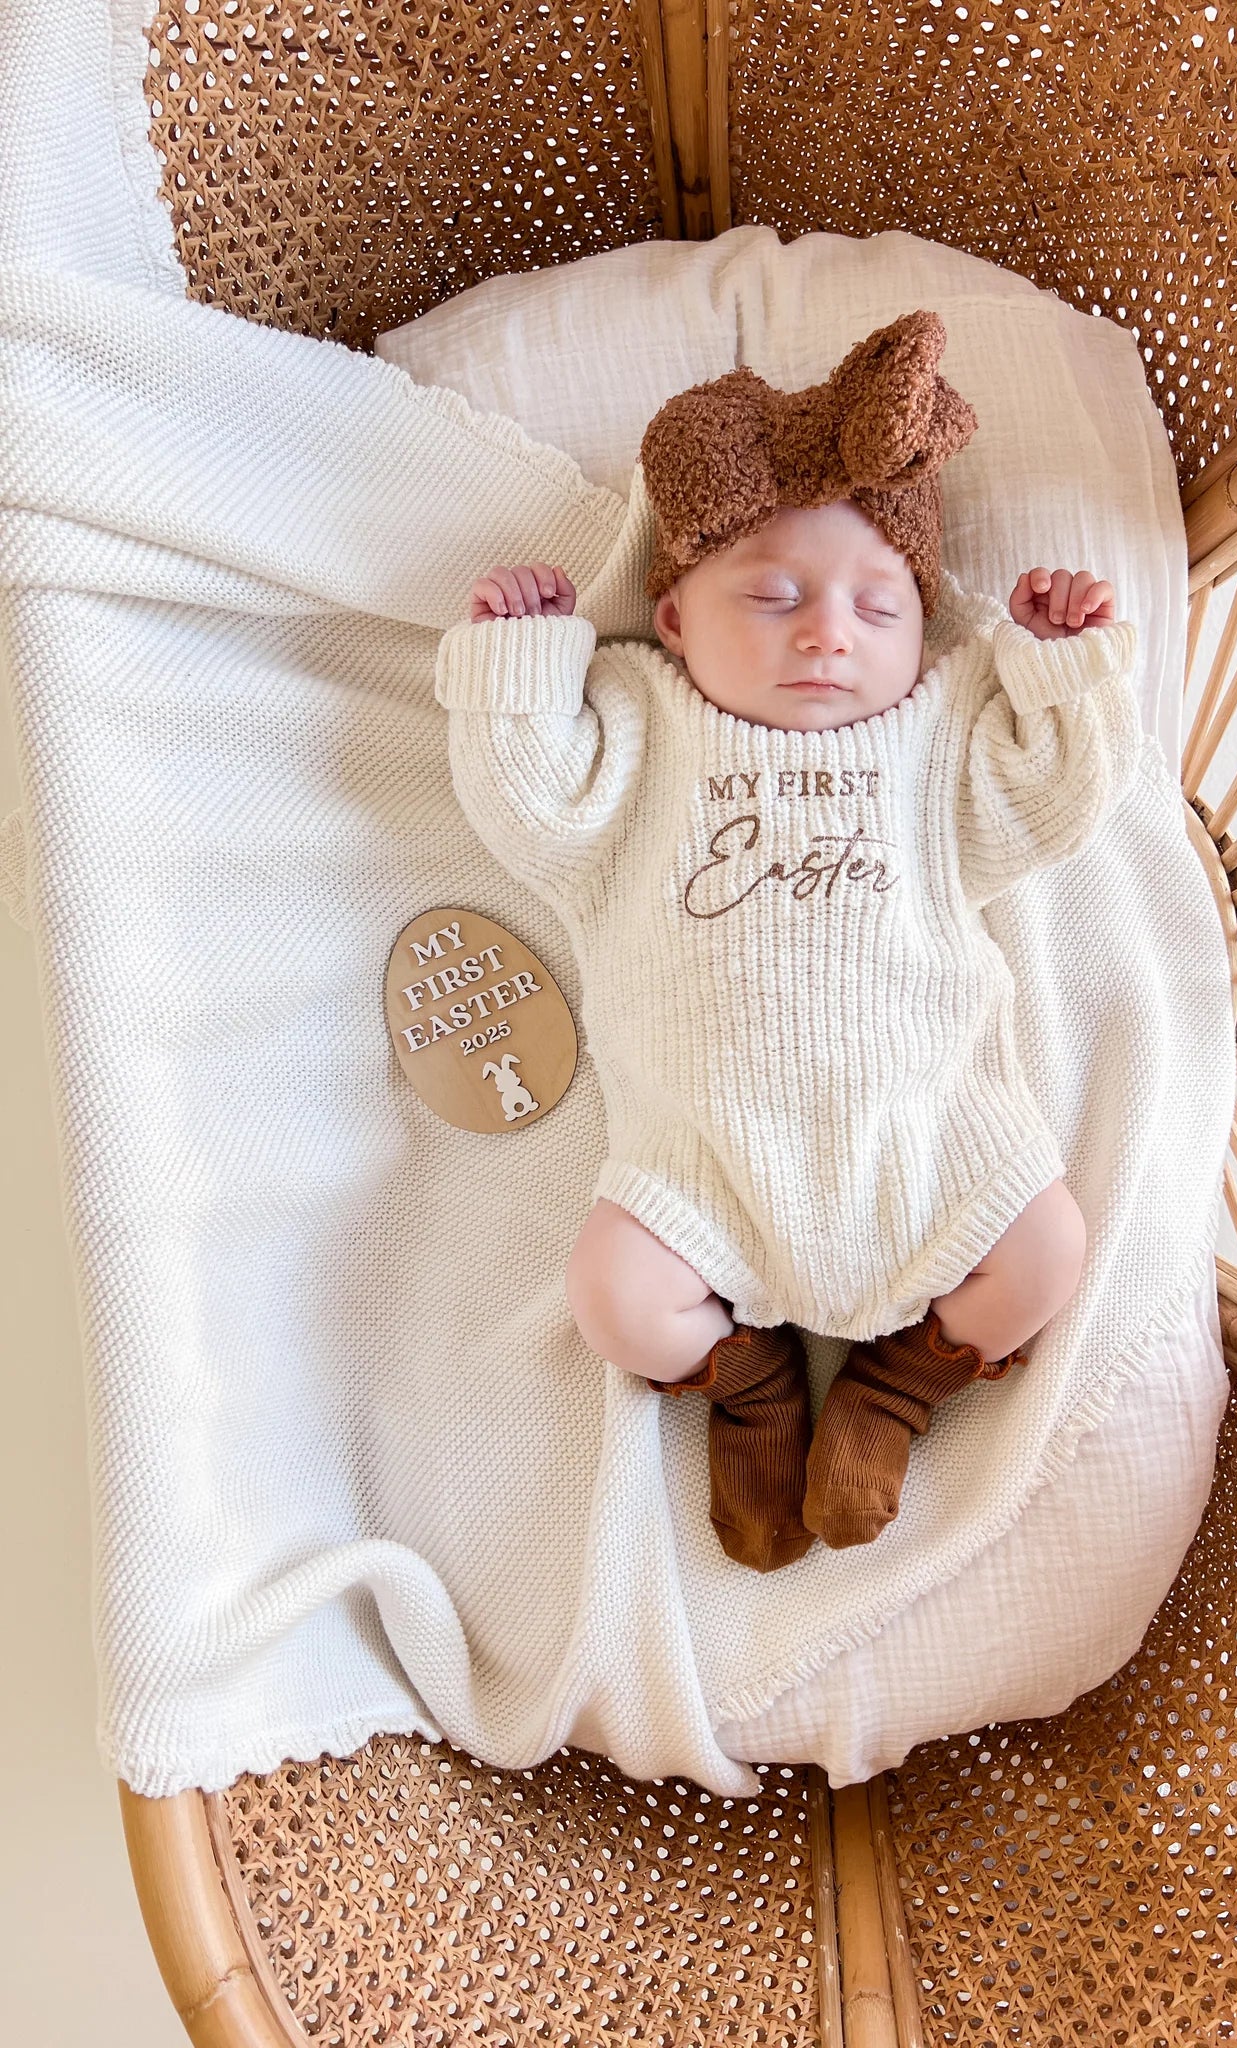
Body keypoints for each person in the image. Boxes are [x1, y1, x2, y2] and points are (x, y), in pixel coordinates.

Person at [433, 311, 1141, 1572]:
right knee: (613, 1296)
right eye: (771, 596)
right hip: (702, 1162)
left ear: (924, 626)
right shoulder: (641, 725)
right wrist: (521, 661)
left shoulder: (936, 733)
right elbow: (532, 810)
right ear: (672, 617)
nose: (828, 632)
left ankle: (897, 1387)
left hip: (933, 1140)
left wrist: (1057, 666)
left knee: (1047, 1250)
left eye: (880, 605)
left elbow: (1054, 801)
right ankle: (753, 1387)